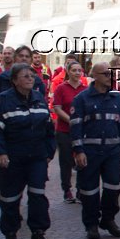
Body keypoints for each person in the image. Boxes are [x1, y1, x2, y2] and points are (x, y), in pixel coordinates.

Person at [0, 63, 56, 239]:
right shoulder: (3, 101)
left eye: (32, 76)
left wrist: (49, 152)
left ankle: (38, 232)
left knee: (38, 195)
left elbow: (48, 128)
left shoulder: (39, 99)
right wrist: (0, 153)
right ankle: (10, 232)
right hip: (12, 158)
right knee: (10, 197)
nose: (30, 79)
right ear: (14, 81)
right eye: (25, 76)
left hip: (37, 157)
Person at [70, 61, 120, 239]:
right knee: (89, 190)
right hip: (90, 152)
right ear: (94, 76)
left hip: (112, 152)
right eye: (105, 74)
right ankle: (92, 224)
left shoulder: (117, 97)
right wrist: (79, 150)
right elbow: (75, 127)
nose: (109, 77)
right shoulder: (81, 99)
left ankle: (108, 219)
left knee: (113, 187)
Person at [51, 61, 87, 203]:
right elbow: (57, 108)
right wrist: (71, 121)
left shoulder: (85, 89)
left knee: (81, 159)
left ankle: (80, 189)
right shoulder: (61, 88)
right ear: (68, 72)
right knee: (66, 161)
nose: (77, 73)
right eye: (74, 70)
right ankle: (67, 190)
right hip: (64, 130)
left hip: (81, 131)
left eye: (79, 70)